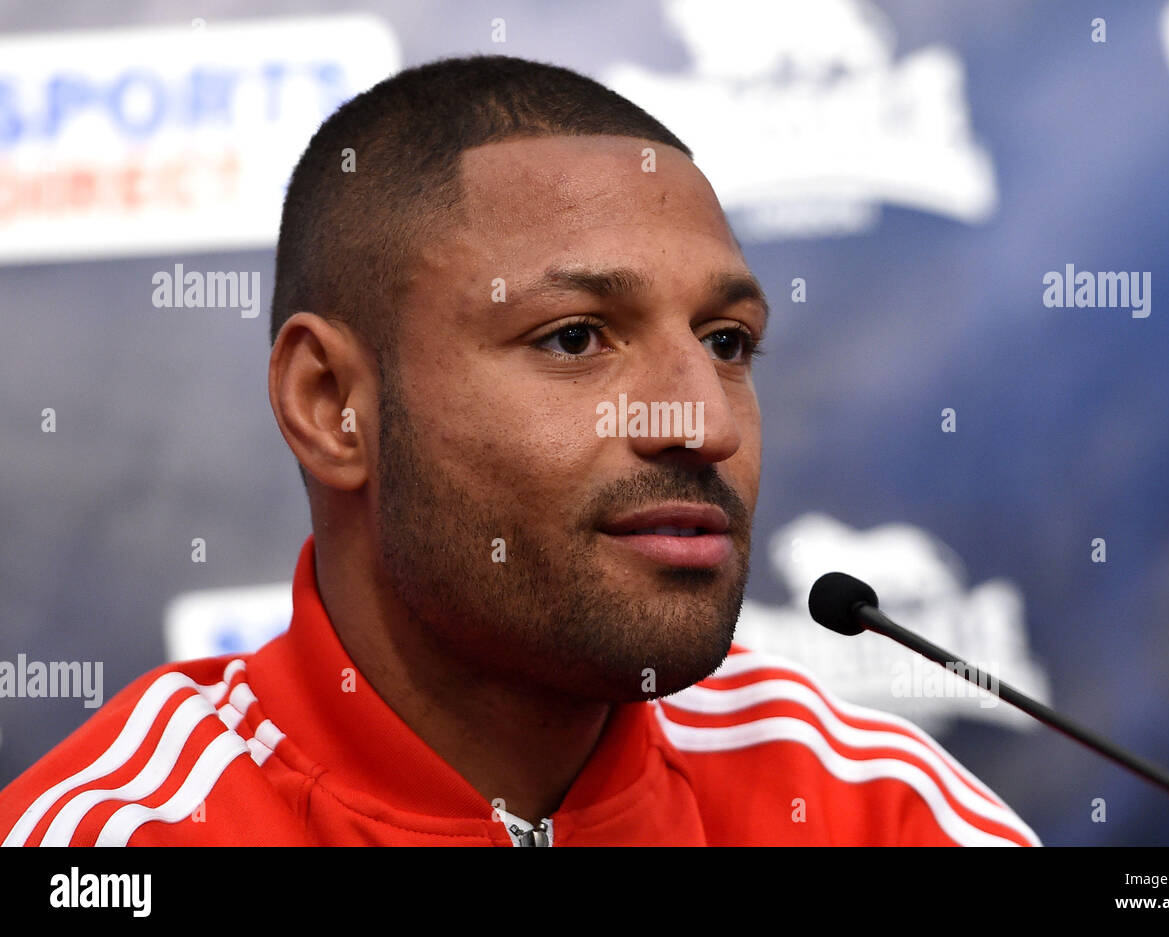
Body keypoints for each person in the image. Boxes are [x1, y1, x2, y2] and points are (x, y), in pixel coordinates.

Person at [0, 55, 1037, 846]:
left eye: (726, 344)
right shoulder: (128, 842)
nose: (703, 423)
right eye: (575, 338)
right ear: (331, 404)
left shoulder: (864, 803)